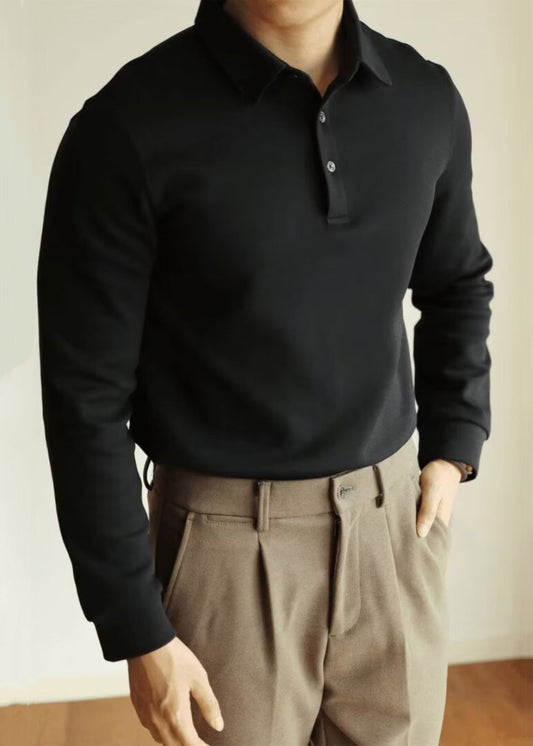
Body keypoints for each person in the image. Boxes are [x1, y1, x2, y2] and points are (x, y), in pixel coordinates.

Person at [36, 0, 494, 744]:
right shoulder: (125, 127)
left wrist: (454, 443)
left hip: (392, 531)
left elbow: (457, 283)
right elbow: (83, 398)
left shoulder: (425, 98)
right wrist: (134, 624)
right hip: (223, 548)